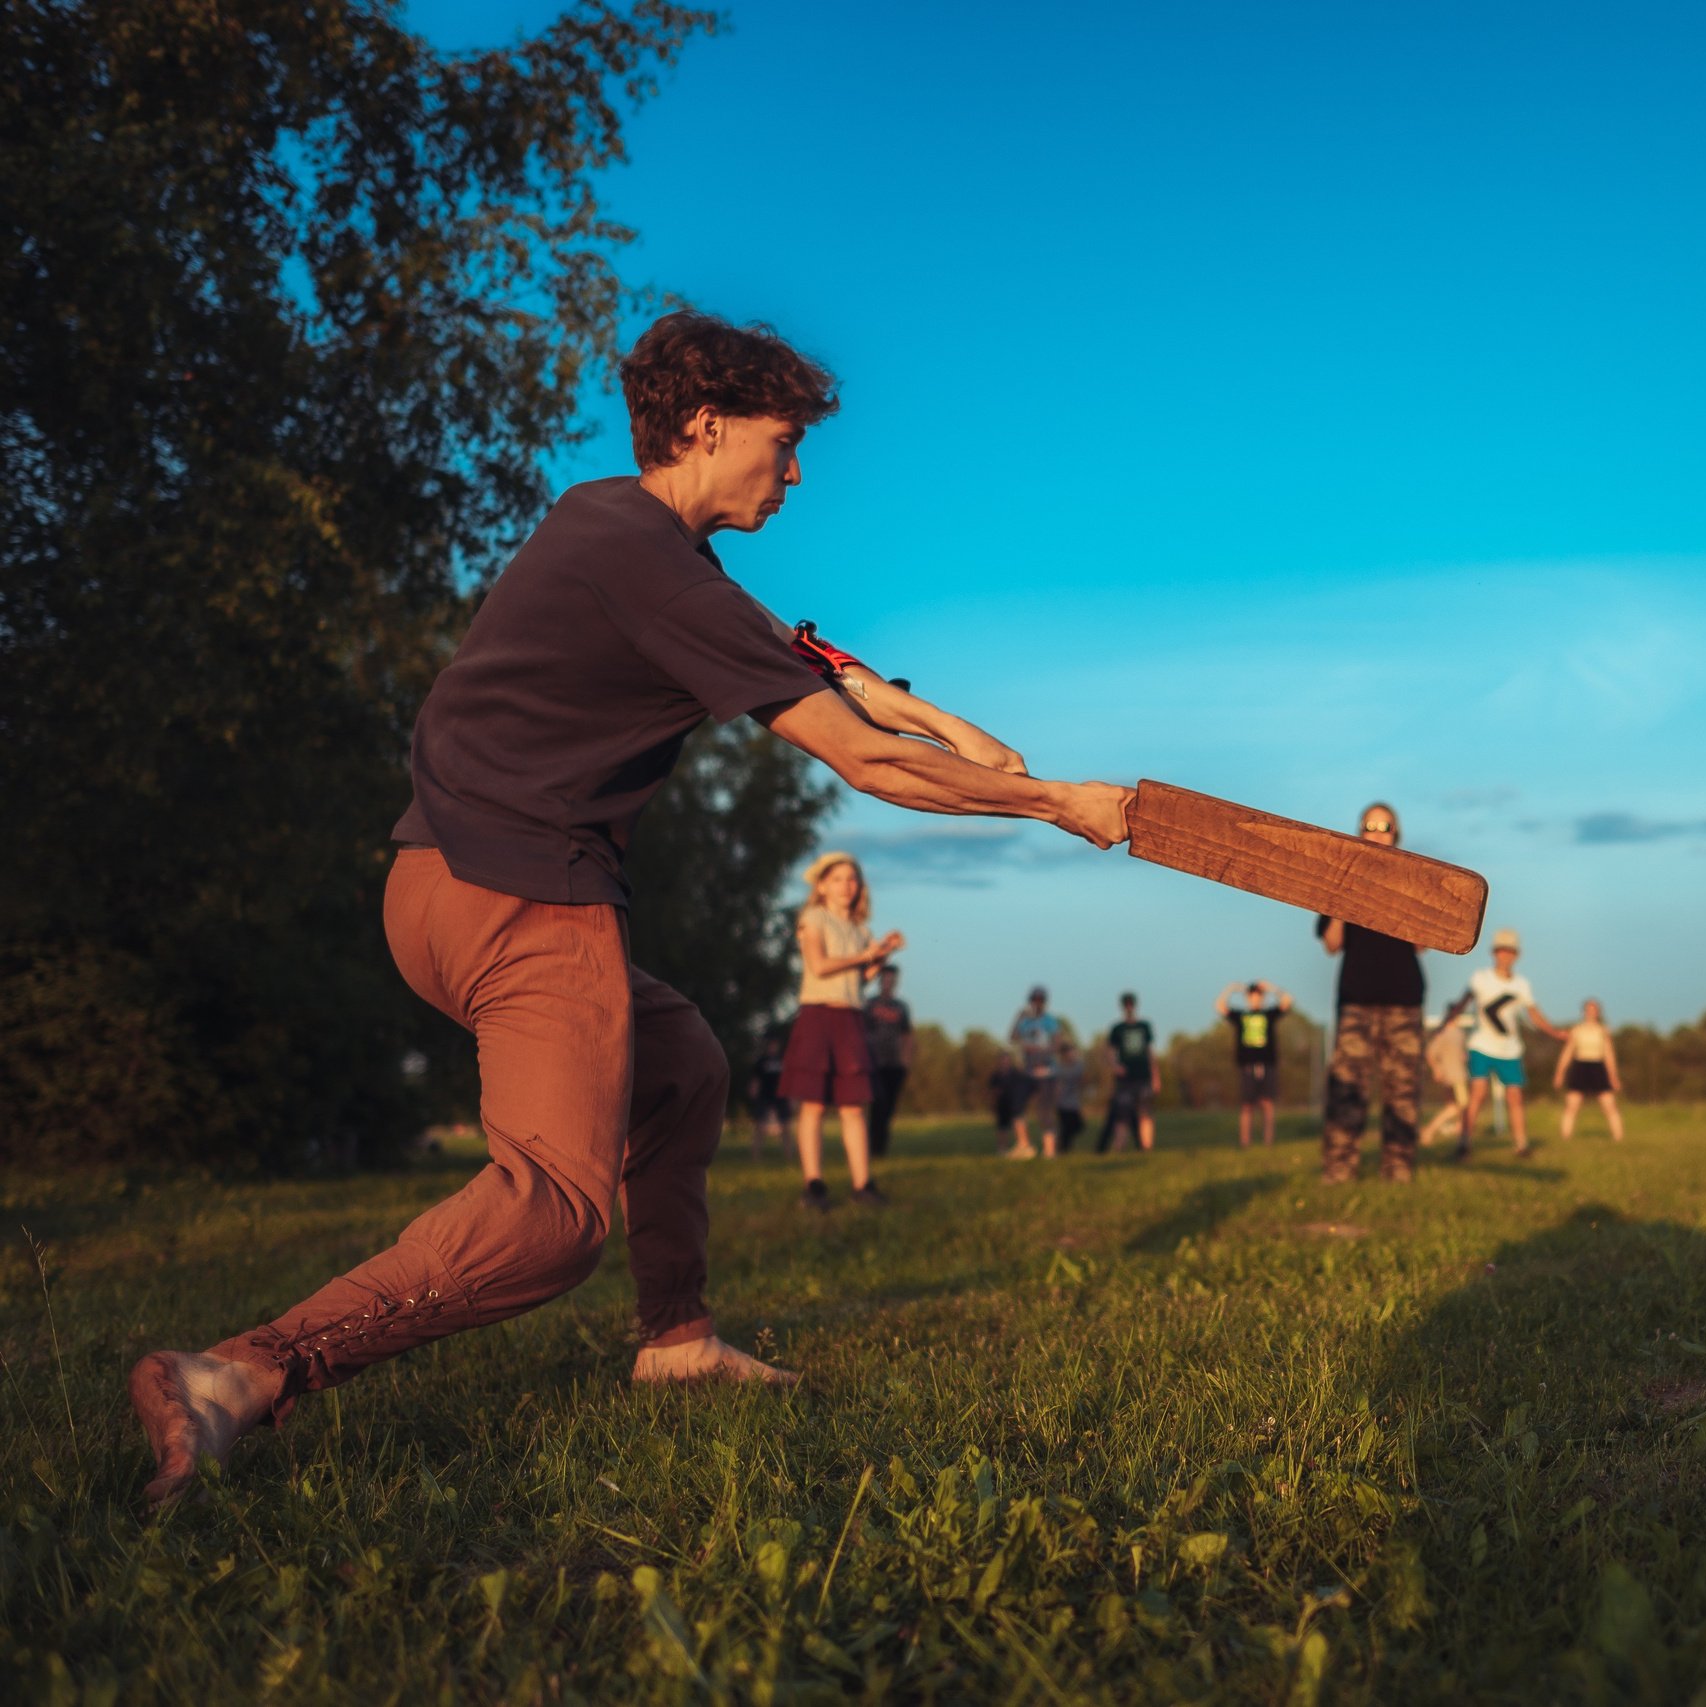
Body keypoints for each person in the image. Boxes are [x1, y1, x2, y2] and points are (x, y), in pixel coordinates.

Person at [126, 310, 1134, 1505]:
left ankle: (676, 1341)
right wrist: (1060, 804)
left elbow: (804, 656)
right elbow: (863, 764)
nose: (796, 474)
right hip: (522, 895)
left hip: (436, 888)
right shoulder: (658, 569)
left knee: (683, 1066)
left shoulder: (610, 524)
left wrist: (933, 717)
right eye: (784, 443)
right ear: (707, 425)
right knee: (553, 1218)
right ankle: (237, 1375)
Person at [782, 851, 900, 1210]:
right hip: (818, 1014)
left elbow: (860, 979)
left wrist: (882, 954)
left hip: (851, 1017)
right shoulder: (813, 918)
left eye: (852, 879)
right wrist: (865, 957)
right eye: (837, 879)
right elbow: (818, 966)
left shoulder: (860, 930)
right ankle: (813, 1185)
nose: (846, 886)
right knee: (814, 1103)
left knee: (853, 1105)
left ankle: (863, 1185)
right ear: (821, 885)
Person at [1316, 803, 1428, 1183]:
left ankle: (1398, 1169)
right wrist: (1342, 898)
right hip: (1356, 1001)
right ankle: (1339, 1168)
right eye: (1371, 825)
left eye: (1386, 826)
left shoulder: (1414, 878)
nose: (1378, 832)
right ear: (1359, 831)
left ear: (1397, 834)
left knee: (1403, 1091)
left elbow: (1423, 945)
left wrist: (1409, 900)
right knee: (1346, 1088)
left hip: (1404, 1000)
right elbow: (1331, 943)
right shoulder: (1341, 877)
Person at [1449, 927, 1569, 1160]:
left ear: (1517, 955)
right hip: (1481, 1046)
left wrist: (1555, 1033)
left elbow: (1534, 1014)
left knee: (1515, 1096)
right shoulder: (1480, 978)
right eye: (1501, 950)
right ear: (1494, 953)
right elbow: (1462, 1004)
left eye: (1510, 951)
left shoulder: (1521, 985)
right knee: (1478, 1093)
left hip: (1510, 1049)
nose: (1505, 955)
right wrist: (1446, 1024)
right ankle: (1464, 1142)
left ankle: (1521, 1145)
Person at [1218, 981, 1294, 1146]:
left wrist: (1271, 987)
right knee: (1247, 1105)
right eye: (1252, 997)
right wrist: (1232, 988)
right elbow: (1220, 1006)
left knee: (1268, 1104)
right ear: (1247, 999)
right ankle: (1245, 1143)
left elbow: (1288, 1001)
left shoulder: (1269, 1014)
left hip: (1267, 1063)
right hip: (1247, 1065)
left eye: (1258, 997)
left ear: (1262, 998)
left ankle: (1268, 1143)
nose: (1255, 1000)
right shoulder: (1241, 1016)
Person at [862, 964, 916, 1158]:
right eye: (885, 979)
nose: (888, 983)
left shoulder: (901, 1007)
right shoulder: (869, 1005)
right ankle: (869, 1147)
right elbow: (860, 1032)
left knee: (888, 1107)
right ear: (880, 981)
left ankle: (880, 1148)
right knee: (875, 1105)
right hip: (873, 1064)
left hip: (894, 1065)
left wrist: (906, 1061)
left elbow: (907, 1035)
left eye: (892, 980)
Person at [1555, 999, 1625, 1141]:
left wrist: (1613, 1076)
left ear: (1598, 1012)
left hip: (1598, 1067)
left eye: (1594, 1009)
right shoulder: (1576, 1030)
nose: (1591, 1012)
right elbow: (1567, 1053)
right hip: (1580, 1067)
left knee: (1609, 1105)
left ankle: (1619, 1137)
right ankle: (1565, 1137)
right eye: (1588, 1009)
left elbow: (1609, 1054)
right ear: (1584, 1011)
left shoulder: (1604, 1031)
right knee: (1572, 1105)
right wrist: (1559, 1073)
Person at [1007, 985, 1064, 1159]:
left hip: (1047, 1072)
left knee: (1044, 1110)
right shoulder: (1025, 1022)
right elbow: (1012, 1039)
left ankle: (1049, 1151)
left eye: (1040, 1000)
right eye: (1034, 1000)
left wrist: (1039, 1052)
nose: (1037, 1003)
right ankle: (1024, 1144)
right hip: (1028, 1071)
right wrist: (1018, 1018)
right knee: (1016, 1105)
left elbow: (1057, 1045)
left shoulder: (1050, 1021)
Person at [1102, 992, 1160, 1153]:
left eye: (1131, 1004)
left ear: (1135, 1005)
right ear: (1122, 1007)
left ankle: (1147, 1149)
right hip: (1124, 1079)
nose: (1129, 1007)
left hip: (1143, 1075)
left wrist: (1156, 1077)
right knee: (1122, 1115)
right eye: (1126, 1004)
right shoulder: (1117, 1029)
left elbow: (1150, 1053)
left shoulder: (1144, 1026)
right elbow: (1109, 1052)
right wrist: (1115, 1066)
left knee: (1146, 1113)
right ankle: (1119, 1148)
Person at [1417, 1012, 1473, 1146]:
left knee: (1453, 1108)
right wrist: (1437, 1069)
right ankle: (1460, 1137)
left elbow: (1433, 1053)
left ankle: (1431, 1131)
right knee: (1463, 1108)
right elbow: (1430, 1053)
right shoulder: (1449, 1034)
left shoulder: (1451, 1034)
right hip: (1456, 1077)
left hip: (1453, 1076)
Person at [746, 1032, 789, 1162]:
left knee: (785, 1127)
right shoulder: (762, 1060)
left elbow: (789, 1078)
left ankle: (789, 1156)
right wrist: (753, 1089)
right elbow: (756, 1078)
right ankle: (755, 1157)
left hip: (781, 1095)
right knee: (760, 1126)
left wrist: (792, 1097)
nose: (773, 1046)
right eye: (771, 1044)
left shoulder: (783, 1059)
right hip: (764, 1095)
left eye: (775, 1043)